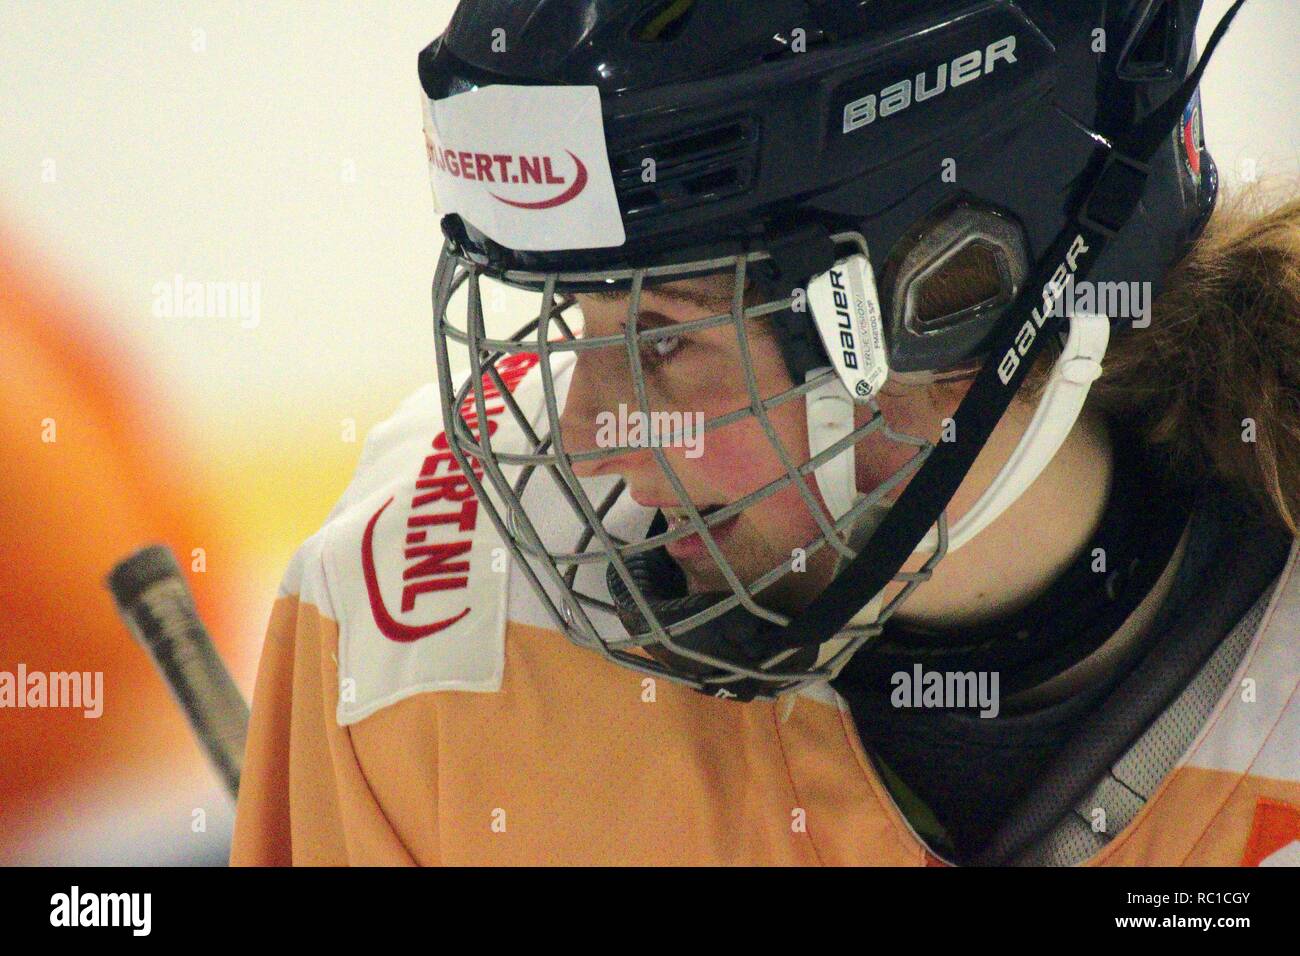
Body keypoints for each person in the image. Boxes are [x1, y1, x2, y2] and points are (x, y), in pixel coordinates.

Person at [232, 0, 1300, 866]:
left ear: (951, 302)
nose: (583, 435)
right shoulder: (426, 645)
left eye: (659, 341)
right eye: (572, 321)